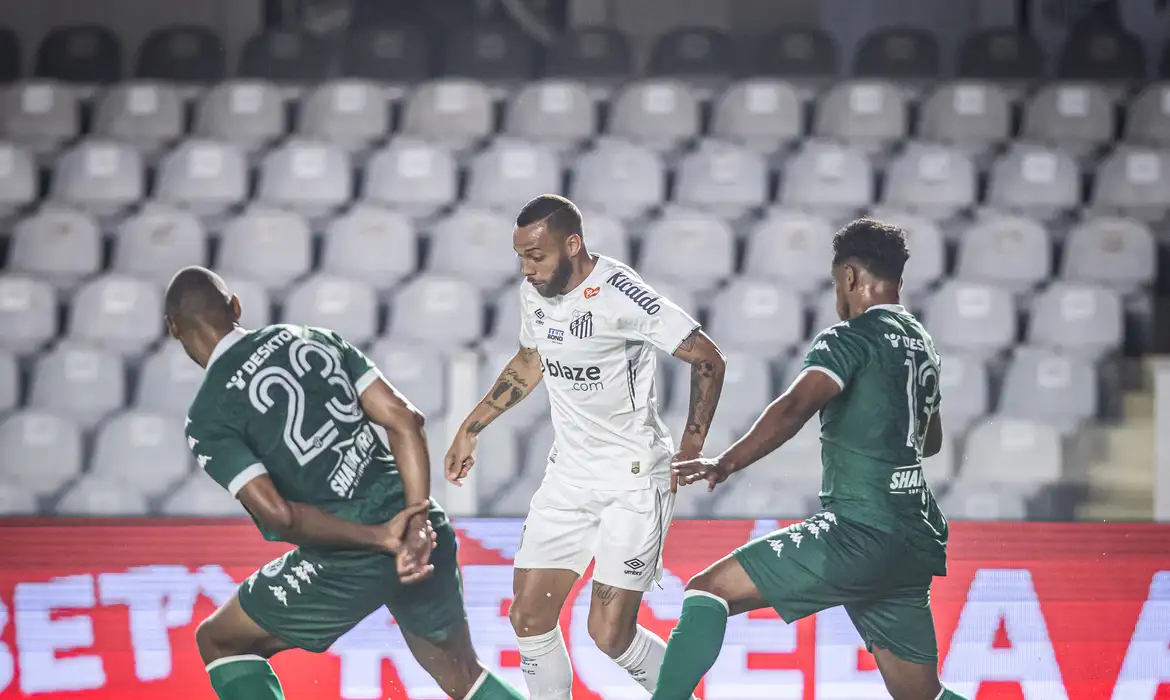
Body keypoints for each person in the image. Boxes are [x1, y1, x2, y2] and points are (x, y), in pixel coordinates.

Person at [166, 266, 524, 700]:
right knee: (463, 674)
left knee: (221, 640)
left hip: (351, 556)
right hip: (422, 530)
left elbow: (279, 516)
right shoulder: (311, 337)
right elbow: (405, 419)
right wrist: (415, 522)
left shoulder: (208, 417)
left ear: (174, 329)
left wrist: (382, 539)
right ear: (236, 307)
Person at [653, 219, 969, 700]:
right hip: (912, 541)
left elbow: (794, 408)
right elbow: (929, 442)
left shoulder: (849, 338)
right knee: (923, 696)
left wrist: (725, 463)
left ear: (849, 275)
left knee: (708, 590)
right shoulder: (921, 344)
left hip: (857, 531)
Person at [444, 194, 727, 700]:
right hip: (568, 477)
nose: (527, 269)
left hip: (632, 480)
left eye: (537, 256)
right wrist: (472, 426)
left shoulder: (622, 295)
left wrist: (690, 445)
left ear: (572, 244)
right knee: (528, 617)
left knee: (609, 634)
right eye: (521, 257)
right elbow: (531, 359)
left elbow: (708, 358)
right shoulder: (535, 292)